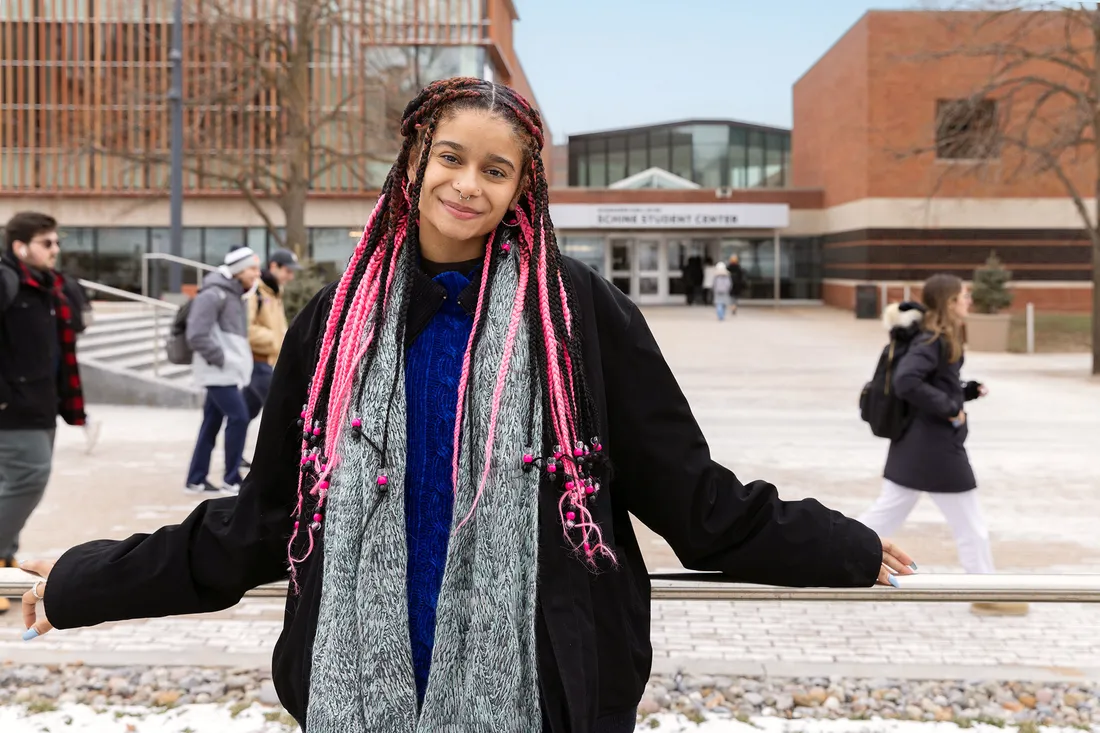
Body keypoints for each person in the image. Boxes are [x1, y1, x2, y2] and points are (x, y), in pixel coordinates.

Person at [19, 78, 915, 731]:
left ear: (522, 185)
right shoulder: (333, 324)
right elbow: (260, 524)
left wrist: (843, 544)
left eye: (497, 169)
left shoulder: (576, 313)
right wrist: (83, 582)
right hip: (359, 693)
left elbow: (691, 496)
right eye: (451, 156)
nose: (468, 185)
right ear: (415, 159)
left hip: (545, 693)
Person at [856, 275, 1026, 617]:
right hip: (934, 450)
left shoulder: (936, 337)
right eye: (963, 296)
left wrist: (966, 391)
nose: (969, 301)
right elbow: (906, 381)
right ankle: (985, 590)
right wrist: (951, 408)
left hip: (917, 446)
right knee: (970, 524)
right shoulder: (933, 338)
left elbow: (930, 384)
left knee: (884, 515)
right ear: (949, 301)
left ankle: (834, 559)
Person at [0, 212, 87, 615]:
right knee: (28, 478)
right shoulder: (8, 281)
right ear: (20, 246)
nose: (55, 250)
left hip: (41, 401)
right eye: (46, 243)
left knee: (13, 481)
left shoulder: (46, 287)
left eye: (56, 242)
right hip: (14, 405)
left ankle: (4, 560)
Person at [183, 247, 261, 495]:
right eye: (252, 269)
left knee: (211, 423)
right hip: (217, 372)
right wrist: (223, 359)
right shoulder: (213, 294)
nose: (257, 275)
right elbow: (196, 334)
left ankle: (196, 479)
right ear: (238, 270)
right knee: (238, 417)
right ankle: (231, 478)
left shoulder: (234, 295)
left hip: (225, 372)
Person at [240, 249, 300, 469]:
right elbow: (247, 329)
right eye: (287, 270)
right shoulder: (257, 291)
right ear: (273, 266)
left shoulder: (275, 292)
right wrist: (275, 340)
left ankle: (236, 455)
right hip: (257, 360)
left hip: (269, 360)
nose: (290, 276)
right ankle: (274, 462)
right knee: (278, 409)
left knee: (246, 412)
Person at [59, 274, 101, 454]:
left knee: (60, 387)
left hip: (57, 336)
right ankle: (85, 421)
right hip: (67, 333)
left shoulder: (55, 283)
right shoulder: (68, 280)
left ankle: (85, 421)